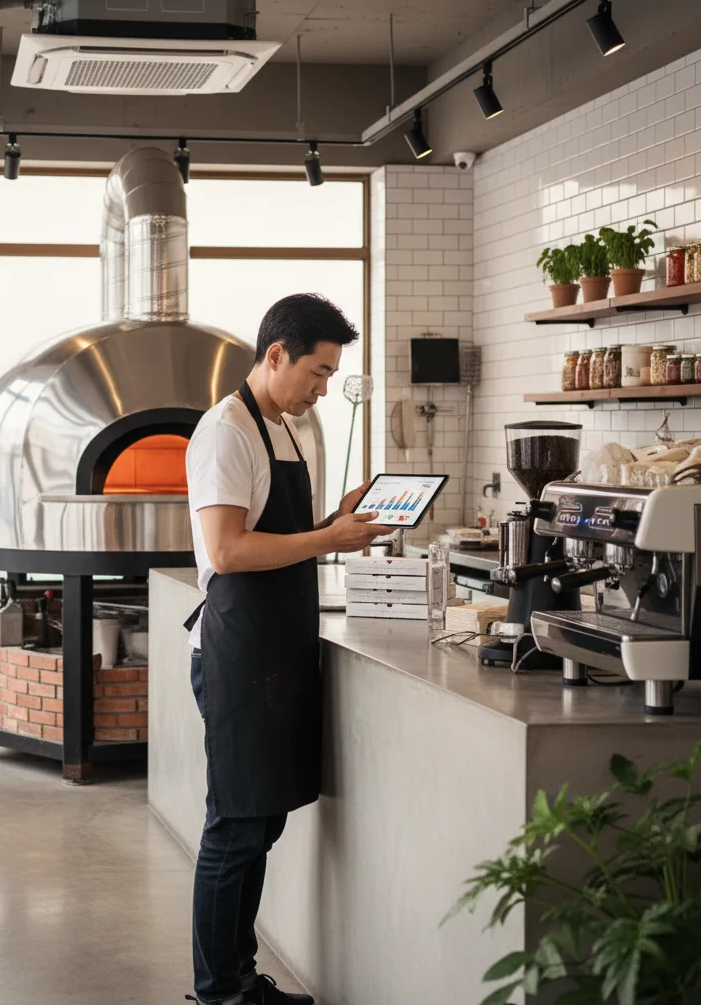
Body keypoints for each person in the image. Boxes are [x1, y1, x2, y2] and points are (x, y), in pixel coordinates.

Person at [182, 293, 393, 1005]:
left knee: (259, 823)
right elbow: (229, 549)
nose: (324, 388)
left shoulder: (287, 428)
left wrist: (340, 518)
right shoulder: (226, 432)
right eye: (318, 372)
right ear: (276, 354)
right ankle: (216, 992)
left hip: (277, 653)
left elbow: (284, 540)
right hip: (240, 653)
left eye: (332, 375)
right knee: (235, 825)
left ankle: (239, 978)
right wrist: (327, 540)